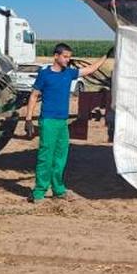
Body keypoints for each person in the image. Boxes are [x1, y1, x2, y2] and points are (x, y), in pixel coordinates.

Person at [24, 43, 110, 202]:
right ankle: (39, 192)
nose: (67, 60)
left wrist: (105, 56)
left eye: (69, 57)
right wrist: (29, 119)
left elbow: (89, 70)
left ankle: (58, 190)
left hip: (62, 123)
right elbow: (34, 96)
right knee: (45, 157)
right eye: (65, 56)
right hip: (48, 121)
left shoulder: (69, 73)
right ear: (56, 56)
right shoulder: (45, 74)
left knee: (60, 157)